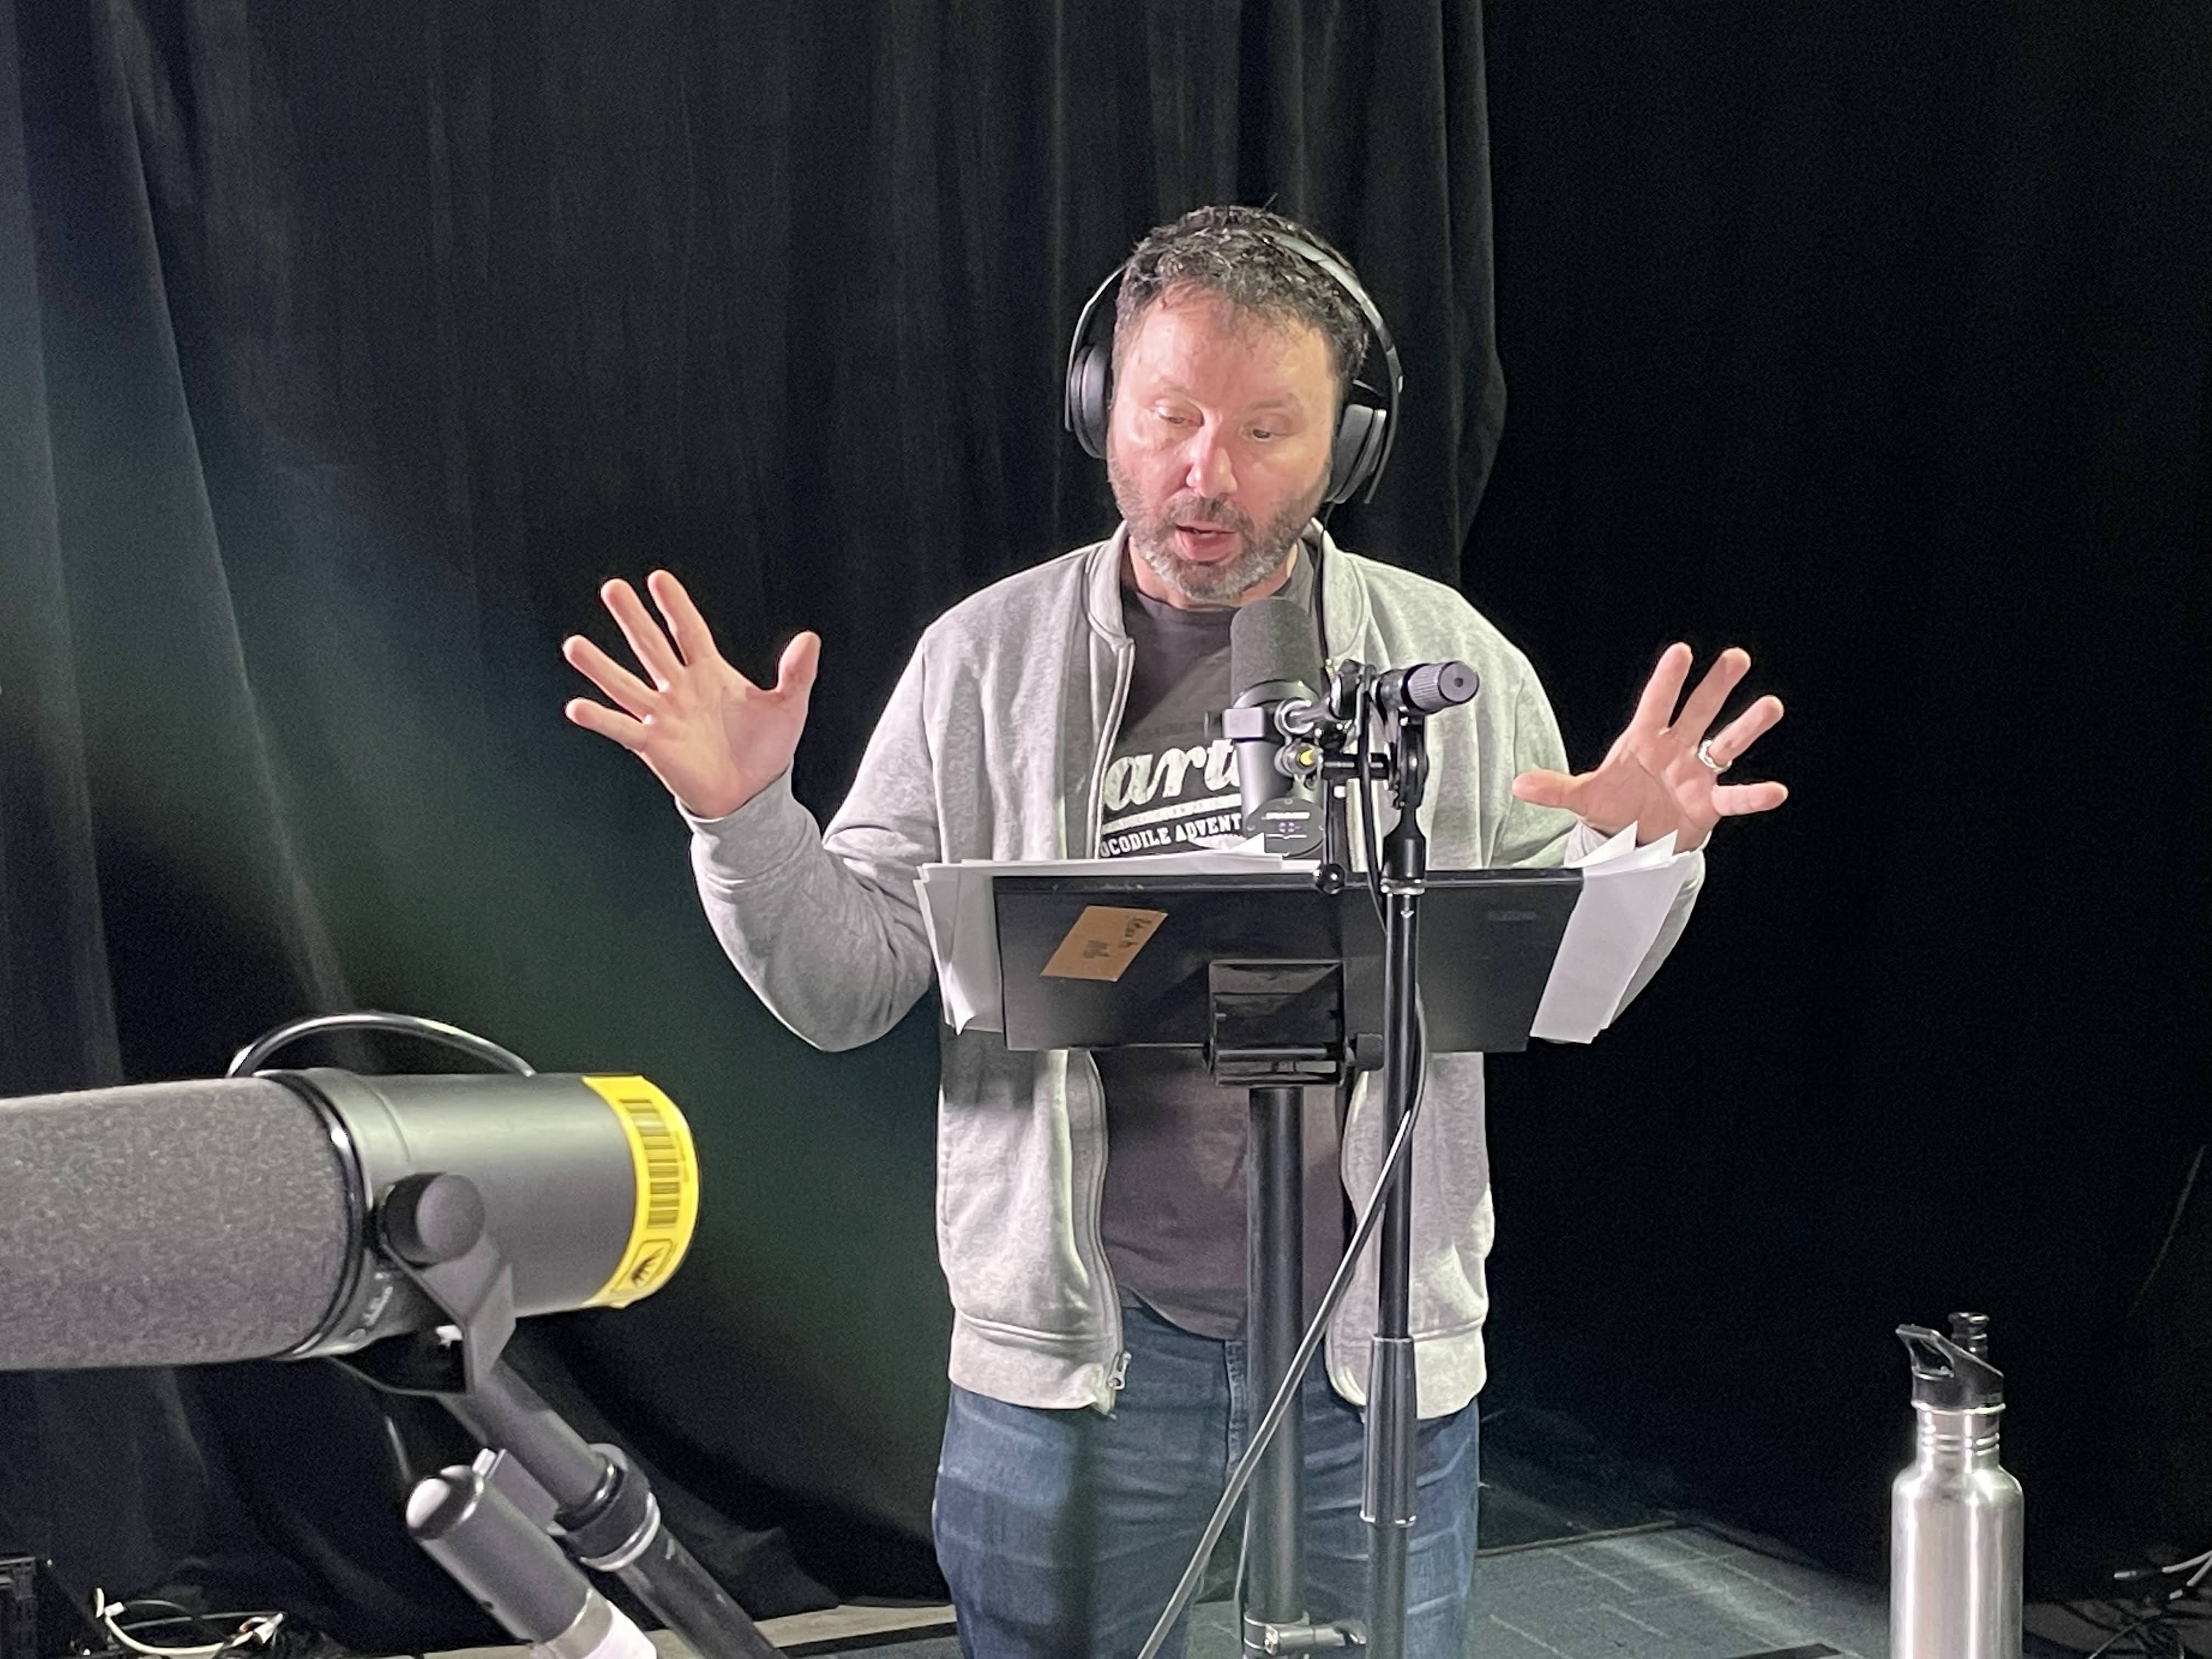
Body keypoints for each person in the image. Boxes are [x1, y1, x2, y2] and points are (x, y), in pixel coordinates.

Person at [561, 206, 1786, 1658]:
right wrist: (745, 820)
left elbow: (1552, 975)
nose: (1209, 473)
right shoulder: (983, 663)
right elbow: (847, 989)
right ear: (1103, 410)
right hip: (1080, 1374)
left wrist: (1636, 856)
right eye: (1170, 417)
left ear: (1349, 446)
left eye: (1269, 430)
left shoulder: (1444, 664)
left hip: (1373, 1359)